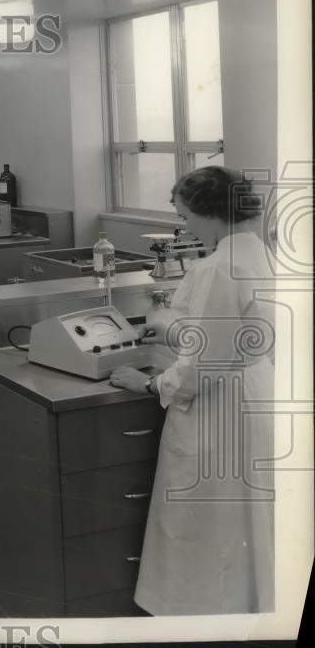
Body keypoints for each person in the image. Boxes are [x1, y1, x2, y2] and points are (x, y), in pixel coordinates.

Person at [109, 166, 275, 615]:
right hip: (256, 395)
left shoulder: (217, 267)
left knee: (206, 525)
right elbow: (230, 336)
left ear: (209, 213)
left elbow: (202, 368)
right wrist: (170, 334)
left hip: (216, 412)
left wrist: (147, 382)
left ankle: (200, 616)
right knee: (245, 521)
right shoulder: (258, 254)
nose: (186, 227)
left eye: (186, 217)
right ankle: (245, 610)